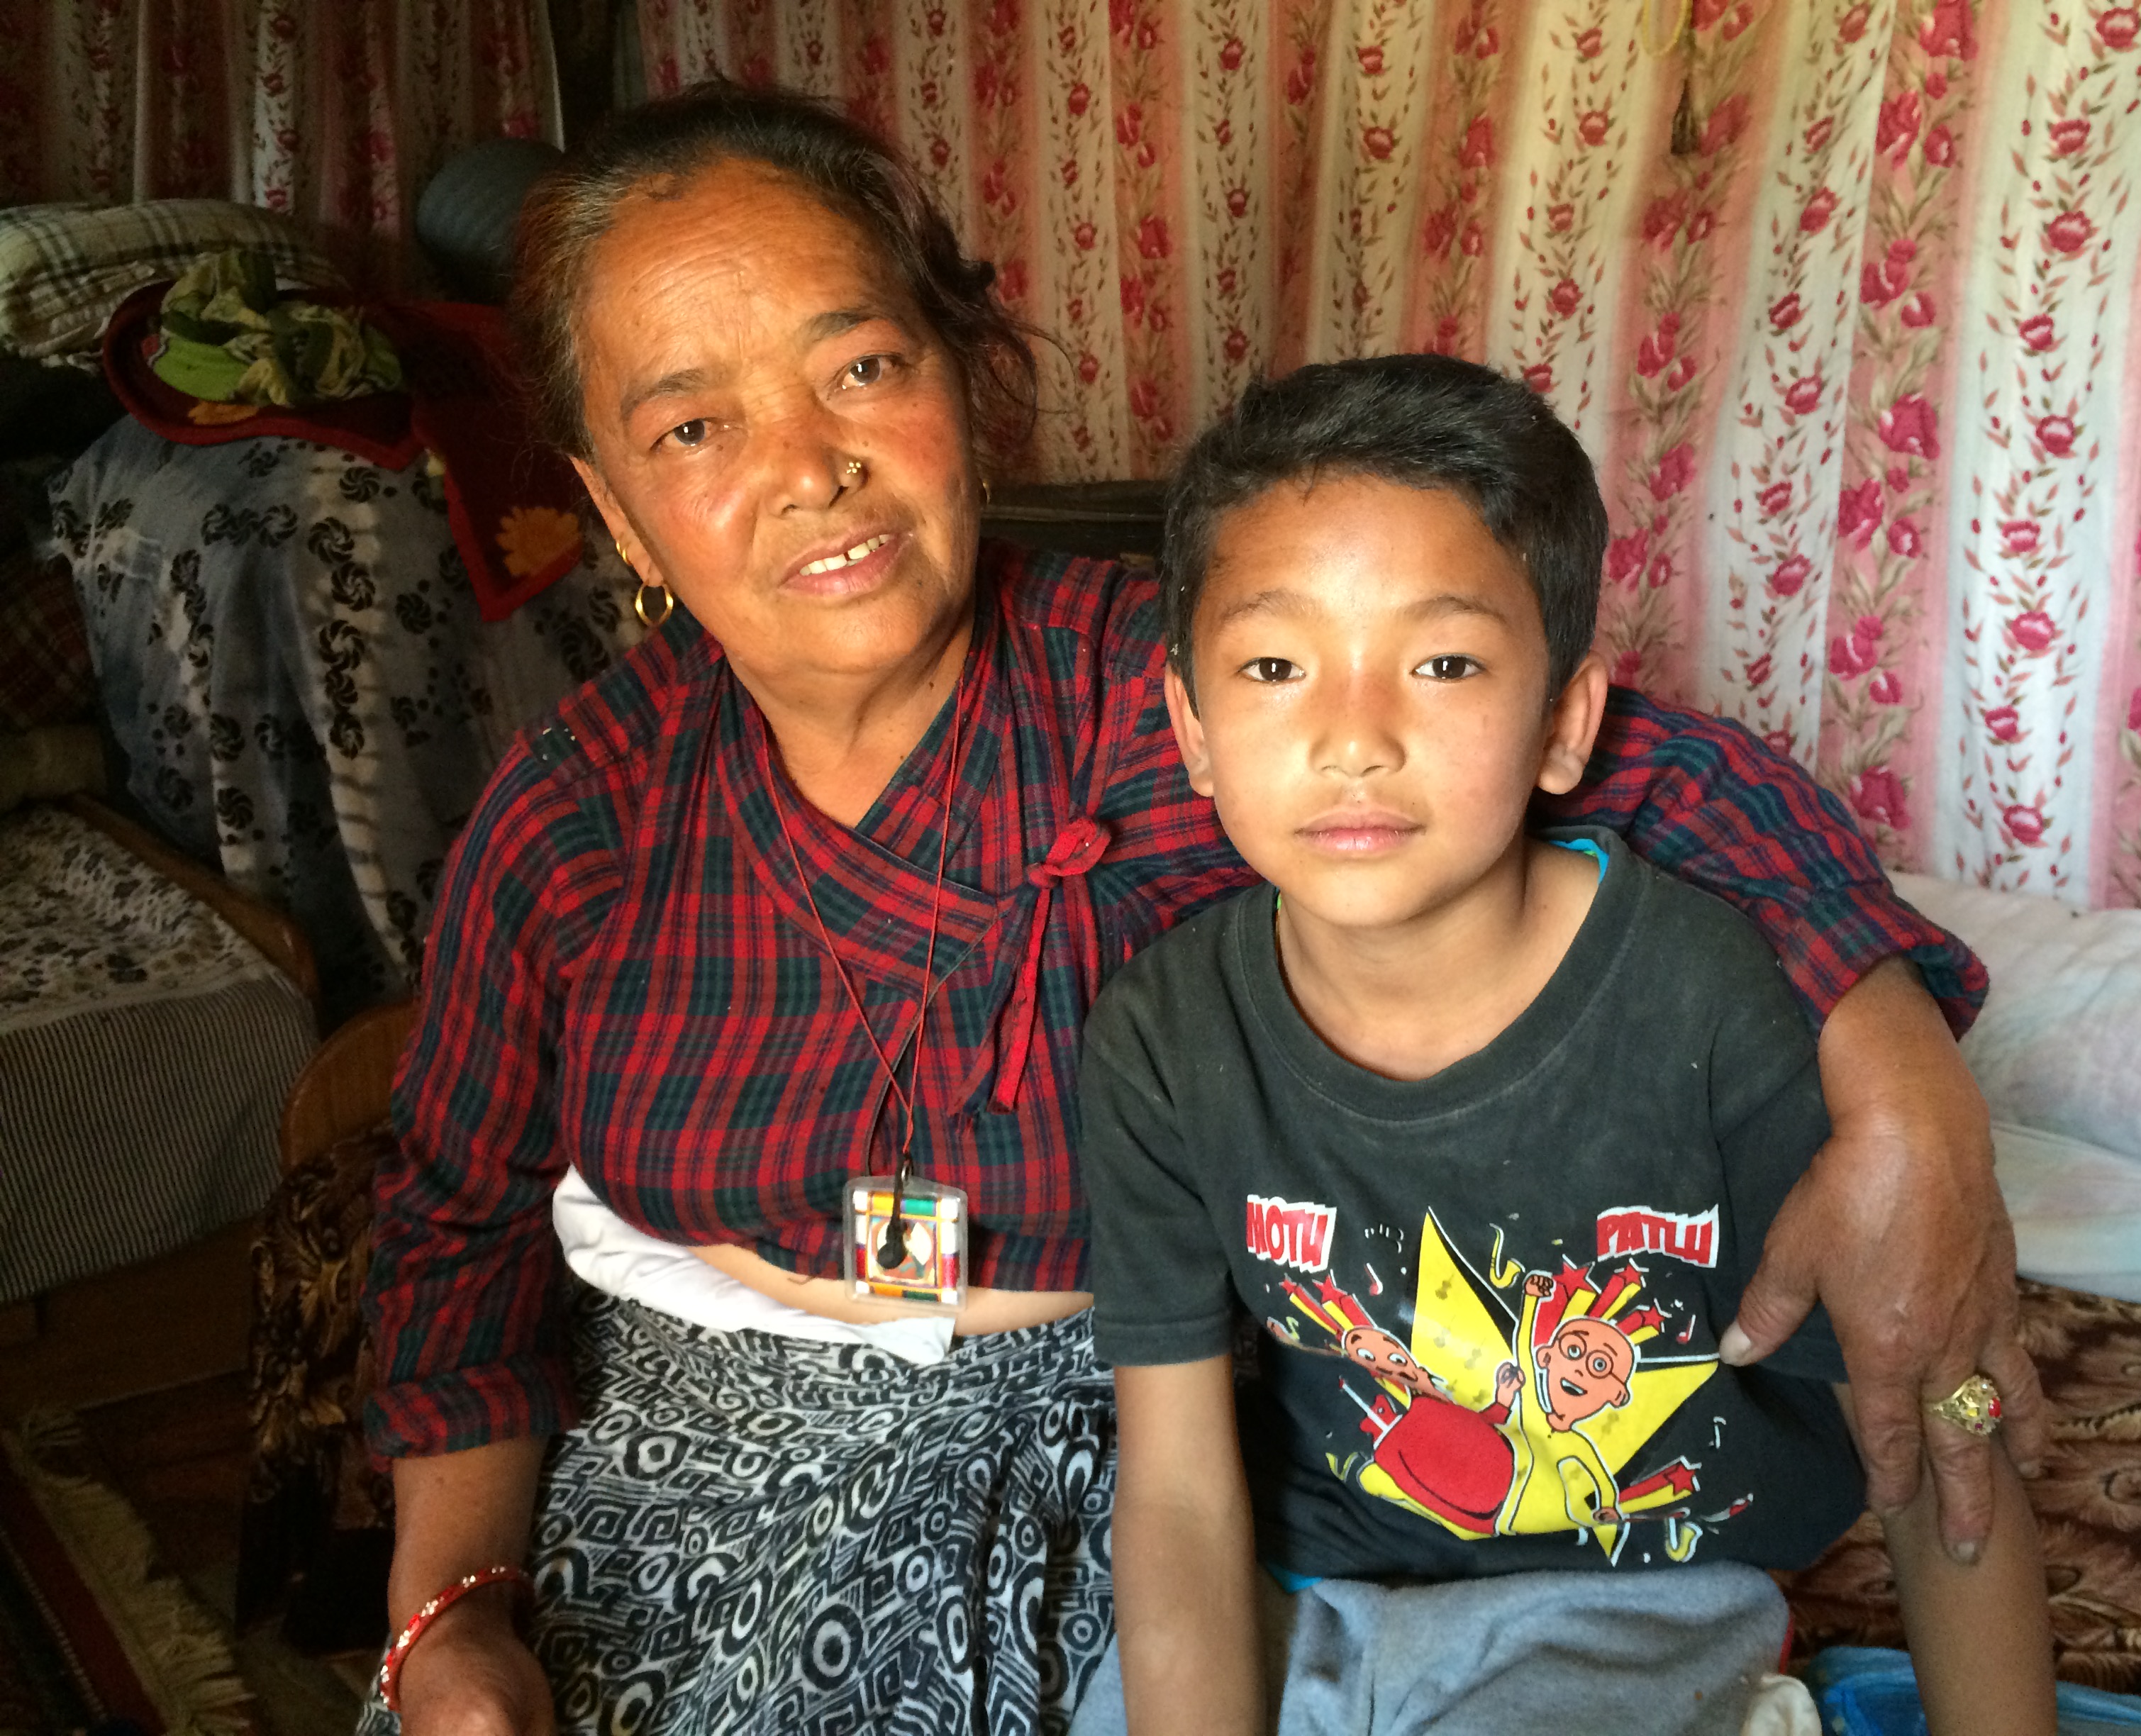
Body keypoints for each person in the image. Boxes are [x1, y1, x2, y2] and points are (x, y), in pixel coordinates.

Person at [360, 84, 2040, 1736]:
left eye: (862, 368)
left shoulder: (1185, 703)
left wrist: (1909, 1099)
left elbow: (1647, 782)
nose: (811, 469)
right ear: (610, 501)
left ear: (962, 384)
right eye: (695, 426)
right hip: (681, 1487)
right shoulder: (586, 807)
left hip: (1117, 1458)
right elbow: (456, 1228)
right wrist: (453, 1619)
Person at [1077, 356, 2054, 1735]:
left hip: (1631, 1597)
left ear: (1563, 725)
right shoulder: (1160, 1039)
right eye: (1277, 663)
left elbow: (1937, 1427)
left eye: (1444, 662)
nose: (1353, 737)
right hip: (1307, 1580)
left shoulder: (1719, 1007)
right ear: (1190, 727)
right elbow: (1176, 1493)